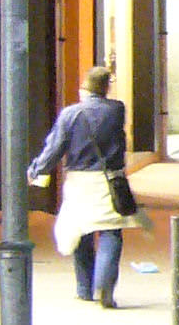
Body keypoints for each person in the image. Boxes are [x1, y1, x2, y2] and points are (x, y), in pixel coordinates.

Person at [29, 66, 141, 308]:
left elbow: (55, 147)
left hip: (79, 181)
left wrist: (38, 169)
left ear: (84, 89)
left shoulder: (70, 114)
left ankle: (85, 288)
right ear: (106, 88)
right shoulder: (116, 110)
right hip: (110, 180)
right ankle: (104, 286)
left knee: (82, 233)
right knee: (111, 232)